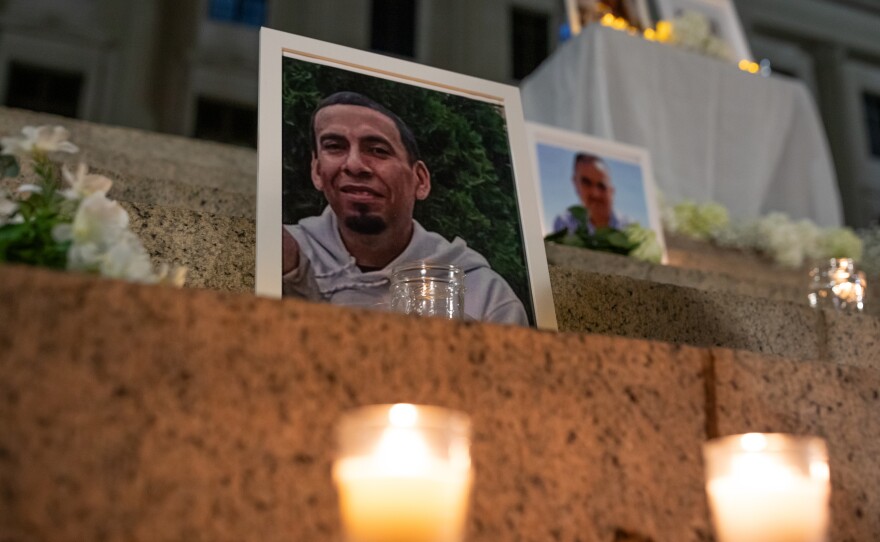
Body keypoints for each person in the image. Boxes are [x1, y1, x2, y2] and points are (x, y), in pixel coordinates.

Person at [282, 91, 528, 325]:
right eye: (335, 146)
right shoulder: (281, 255)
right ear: (316, 171)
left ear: (420, 180)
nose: (354, 165)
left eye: (378, 150)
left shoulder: (485, 294)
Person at [553, 152, 628, 234]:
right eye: (586, 183)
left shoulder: (629, 228)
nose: (595, 194)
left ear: (611, 190)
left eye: (601, 186)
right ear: (575, 183)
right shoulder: (564, 223)